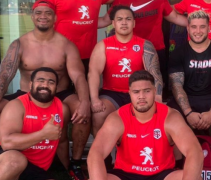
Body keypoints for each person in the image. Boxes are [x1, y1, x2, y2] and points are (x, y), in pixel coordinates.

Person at [0, 1, 91, 178]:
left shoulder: (66, 45)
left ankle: (75, 162)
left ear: (55, 18)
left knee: (83, 112)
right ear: (32, 17)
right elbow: (4, 75)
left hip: (60, 93)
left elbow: (79, 76)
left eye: (48, 13)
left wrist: (85, 102)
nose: (43, 16)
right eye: (39, 13)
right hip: (28, 94)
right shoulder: (19, 44)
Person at [87, 70, 204, 180]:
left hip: (162, 174)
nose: (141, 96)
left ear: (154, 91)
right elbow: (96, 153)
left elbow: (194, 150)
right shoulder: (118, 118)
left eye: (147, 91)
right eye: (136, 92)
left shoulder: (170, 117)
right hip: (125, 175)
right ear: (130, 93)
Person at [88, 5, 163, 137]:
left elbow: (154, 73)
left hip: (138, 93)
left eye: (128, 19)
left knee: (149, 119)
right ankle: (103, 157)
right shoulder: (103, 45)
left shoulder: (145, 45)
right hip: (112, 94)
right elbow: (93, 72)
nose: (124, 22)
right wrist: (94, 99)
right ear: (113, 23)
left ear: (134, 23)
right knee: (99, 115)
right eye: (120, 19)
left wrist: (157, 97)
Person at [98, 0, 188, 100]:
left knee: (156, 89)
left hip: (156, 50)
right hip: (131, 52)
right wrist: (80, 23)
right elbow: (104, 21)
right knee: (134, 89)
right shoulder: (120, 1)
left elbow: (174, 17)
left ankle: (157, 111)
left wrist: (199, 24)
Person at [168, 10, 211, 137]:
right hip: (186, 99)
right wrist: (188, 113)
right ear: (188, 28)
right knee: (169, 123)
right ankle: (180, 157)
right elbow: (176, 86)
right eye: (194, 27)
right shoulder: (178, 53)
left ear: (209, 28)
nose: (198, 31)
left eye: (202, 27)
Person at [0, 67, 69, 180]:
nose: (45, 85)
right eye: (40, 80)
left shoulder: (62, 109)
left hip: (36, 169)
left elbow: (62, 141)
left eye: (51, 82)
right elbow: (6, 143)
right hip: (8, 161)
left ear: (56, 87)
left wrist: (66, 168)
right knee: (15, 161)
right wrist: (43, 134)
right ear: (31, 85)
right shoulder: (16, 106)